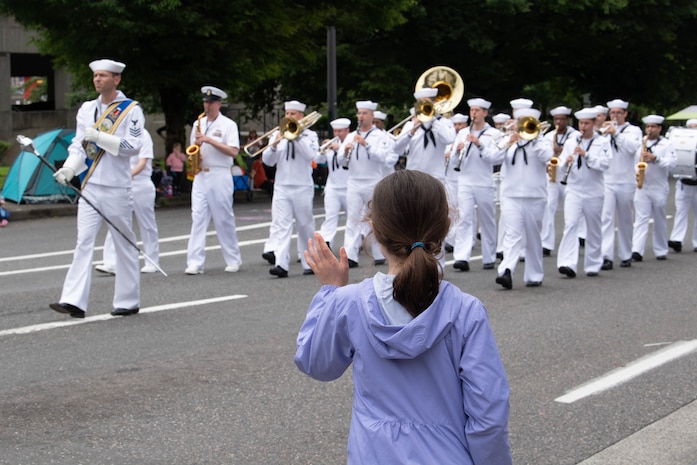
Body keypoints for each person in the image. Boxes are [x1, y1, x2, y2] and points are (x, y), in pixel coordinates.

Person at [294, 169, 512, 465]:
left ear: (373, 229)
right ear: (444, 228)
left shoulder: (350, 302)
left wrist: (329, 292)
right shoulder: (465, 310)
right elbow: (488, 415)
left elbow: (316, 364)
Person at [49, 58, 144, 318]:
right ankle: (73, 301)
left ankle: (128, 299)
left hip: (116, 186)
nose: (98, 80)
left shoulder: (131, 110)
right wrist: (70, 167)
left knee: (122, 241)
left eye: (103, 76)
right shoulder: (87, 109)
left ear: (117, 79)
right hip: (90, 184)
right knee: (83, 242)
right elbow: (79, 144)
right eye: (95, 76)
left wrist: (101, 137)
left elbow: (133, 146)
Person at [185, 86, 243, 275]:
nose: (207, 105)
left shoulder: (228, 125)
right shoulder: (198, 123)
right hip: (201, 174)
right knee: (198, 218)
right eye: (205, 102)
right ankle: (195, 262)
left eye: (211, 102)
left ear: (219, 104)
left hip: (220, 174)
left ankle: (233, 259)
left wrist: (210, 140)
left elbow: (233, 151)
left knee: (223, 218)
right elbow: (193, 147)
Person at [495, 108, 553, 289]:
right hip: (511, 195)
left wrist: (533, 138)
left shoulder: (542, 142)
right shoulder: (509, 140)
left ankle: (534, 274)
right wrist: (508, 144)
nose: (520, 125)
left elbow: (548, 157)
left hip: (535, 196)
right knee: (512, 235)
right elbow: (492, 157)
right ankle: (506, 271)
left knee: (533, 237)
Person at [261, 100, 319, 277]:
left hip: (302, 186)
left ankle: (309, 262)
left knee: (305, 225)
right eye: (287, 114)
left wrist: (297, 135)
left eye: (293, 114)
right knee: (282, 225)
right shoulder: (278, 134)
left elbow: (312, 155)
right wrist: (274, 145)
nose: (289, 117)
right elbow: (267, 161)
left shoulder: (310, 136)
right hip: (282, 186)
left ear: (301, 116)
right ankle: (281, 264)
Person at [338, 100, 397, 268]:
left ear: (372, 116)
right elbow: (341, 160)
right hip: (354, 182)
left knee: (376, 219)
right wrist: (346, 151)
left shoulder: (380, 136)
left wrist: (366, 145)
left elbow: (384, 159)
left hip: (373, 181)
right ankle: (350, 255)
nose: (361, 117)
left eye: (365, 113)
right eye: (359, 113)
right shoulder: (350, 136)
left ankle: (379, 253)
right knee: (353, 218)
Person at [96, 129, 161, 275]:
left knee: (146, 223)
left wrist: (127, 175)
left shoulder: (144, 134)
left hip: (140, 183)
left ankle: (152, 260)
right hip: (121, 184)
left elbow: (143, 162)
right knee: (117, 220)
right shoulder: (117, 134)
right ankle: (111, 261)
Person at [556, 108, 611, 278]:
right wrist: (565, 162)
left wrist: (586, 155)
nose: (583, 126)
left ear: (594, 124)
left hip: (594, 191)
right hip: (574, 189)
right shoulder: (571, 141)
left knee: (593, 228)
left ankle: (593, 263)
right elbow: (559, 163)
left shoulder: (602, 141)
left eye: (587, 123)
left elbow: (605, 164)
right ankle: (567, 263)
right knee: (571, 225)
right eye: (581, 123)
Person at [450, 97, 502, 271]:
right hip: (465, 181)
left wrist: (479, 144)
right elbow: (452, 160)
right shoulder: (462, 133)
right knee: (464, 218)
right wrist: (457, 152)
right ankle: (461, 257)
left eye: (477, 110)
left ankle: (489, 257)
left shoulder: (493, 133)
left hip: (484, 182)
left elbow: (495, 157)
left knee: (487, 220)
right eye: (472, 110)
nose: (474, 113)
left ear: (485, 113)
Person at [599, 99, 643, 270]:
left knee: (625, 220)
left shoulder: (633, 130)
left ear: (625, 114)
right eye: (612, 113)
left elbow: (633, 148)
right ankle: (606, 256)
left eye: (618, 113)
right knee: (606, 219)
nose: (615, 116)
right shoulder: (603, 130)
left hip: (625, 180)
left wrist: (616, 133)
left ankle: (626, 254)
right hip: (607, 179)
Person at [631, 114, 676, 261]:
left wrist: (655, 158)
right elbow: (633, 161)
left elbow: (672, 163)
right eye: (648, 127)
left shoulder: (667, 144)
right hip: (642, 185)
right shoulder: (640, 143)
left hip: (659, 186)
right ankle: (637, 250)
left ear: (659, 128)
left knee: (659, 217)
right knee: (641, 218)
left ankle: (661, 249)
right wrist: (636, 172)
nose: (650, 130)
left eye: (653, 127)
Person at [393, 87, 456, 184]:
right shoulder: (410, 125)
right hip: (413, 176)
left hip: (436, 177)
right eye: (420, 103)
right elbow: (397, 149)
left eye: (426, 102)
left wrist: (433, 119)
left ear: (434, 103)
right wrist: (411, 132)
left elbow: (449, 139)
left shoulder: (444, 123)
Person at [541, 106, 579, 256]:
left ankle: (579, 238)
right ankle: (546, 243)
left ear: (567, 120)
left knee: (573, 211)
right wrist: (552, 155)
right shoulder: (549, 136)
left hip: (569, 176)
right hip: (552, 175)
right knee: (549, 206)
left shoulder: (575, 135)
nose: (559, 122)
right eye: (556, 119)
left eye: (562, 119)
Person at [317, 117, 351, 250]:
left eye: (340, 131)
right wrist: (323, 148)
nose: (337, 134)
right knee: (330, 215)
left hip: (349, 186)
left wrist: (340, 149)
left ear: (347, 131)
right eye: (335, 131)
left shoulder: (351, 142)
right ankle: (327, 241)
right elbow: (318, 159)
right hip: (332, 186)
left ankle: (355, 242)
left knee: (352, 217)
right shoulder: (330, 145)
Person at [669, 119, 697, 252]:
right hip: (683, 182)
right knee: (681, 212)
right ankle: (677, 240)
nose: (693, 129)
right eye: (690, 127)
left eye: (695, 127)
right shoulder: (681, 142)